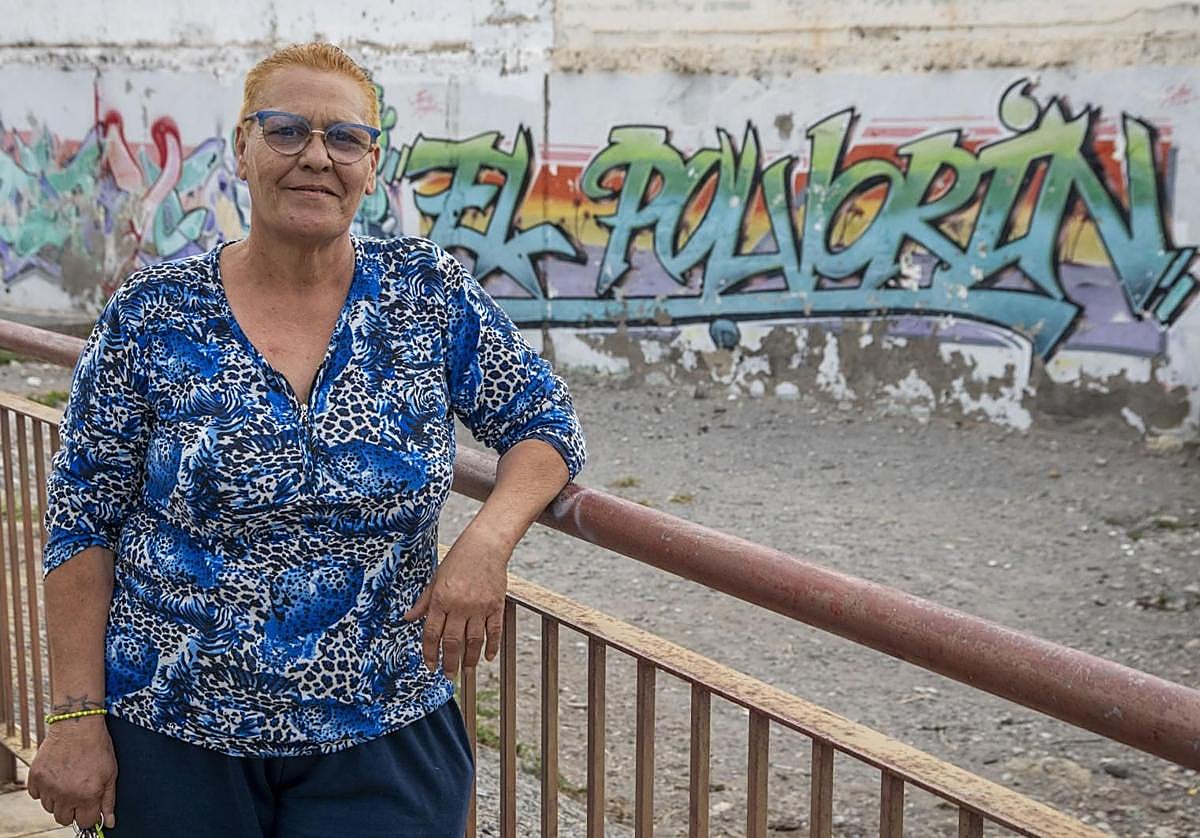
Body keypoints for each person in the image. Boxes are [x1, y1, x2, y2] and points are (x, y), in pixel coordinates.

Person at [27, 42, 585, 837]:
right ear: (243, 148)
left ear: (371, 164)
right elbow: (83, 518)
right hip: (174, 732)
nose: (317, 157)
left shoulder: (424, 294)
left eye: (345, 138)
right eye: (287, 131)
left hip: (383, 726)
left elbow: (544, 422)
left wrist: (486, 542)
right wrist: (75, 716)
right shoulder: (153, 314)